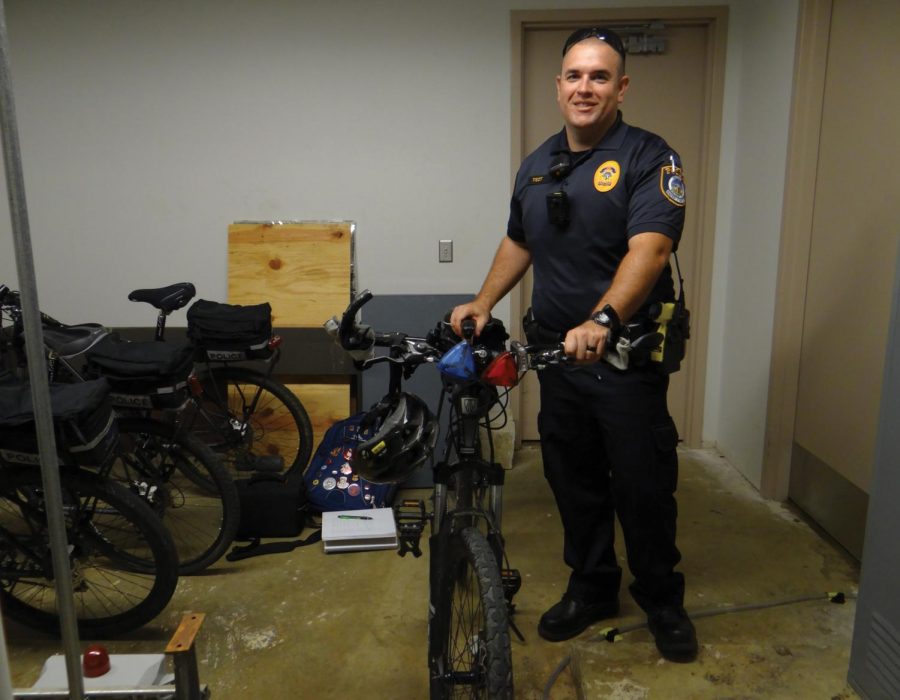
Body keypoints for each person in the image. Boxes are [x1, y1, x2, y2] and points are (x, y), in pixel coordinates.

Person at [450, 27, 697, 662]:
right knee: (573, 477)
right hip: (558, 360)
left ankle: (662, 599)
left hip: (622, 358)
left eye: (599, 76)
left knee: (642, 484)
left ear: (621, 87)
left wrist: (605, 318)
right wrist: (483, 302)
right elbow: (519, 241)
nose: (584, 87)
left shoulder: (650, 157)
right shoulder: (536, 165)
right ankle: (591, 587)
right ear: (558, 85)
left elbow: (652, 247)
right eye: (574, 76)